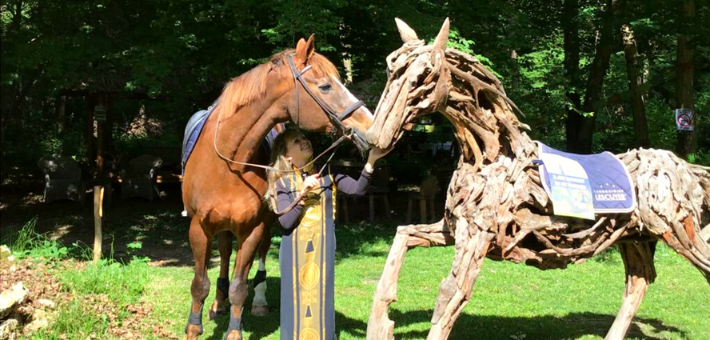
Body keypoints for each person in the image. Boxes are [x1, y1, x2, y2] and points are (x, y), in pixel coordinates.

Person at [266, 128, 389, 340]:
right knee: (294, 300)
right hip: (294, 252)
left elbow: (357, 189)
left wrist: (370, 162)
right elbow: (285, 223)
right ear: (287, 155)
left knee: (321, 297)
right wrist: (303, 193)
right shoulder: (282, 182)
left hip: (322, 249)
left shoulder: (328, 172)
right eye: (297, 140)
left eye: (304, 137)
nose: (304, 141)